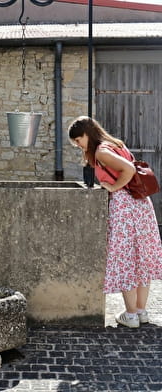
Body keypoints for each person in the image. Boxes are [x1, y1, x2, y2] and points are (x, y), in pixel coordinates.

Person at [68, 115, 162, 328]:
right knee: (140, 259)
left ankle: (130, 315)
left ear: (87, 134)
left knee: (125, 258)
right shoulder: (115, 144)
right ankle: (140, 311)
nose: (77, 144)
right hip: (140, 204)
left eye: (78, 139)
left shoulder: (101, 151)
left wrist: (113, 187)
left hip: (124, 206)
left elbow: (128, 170)